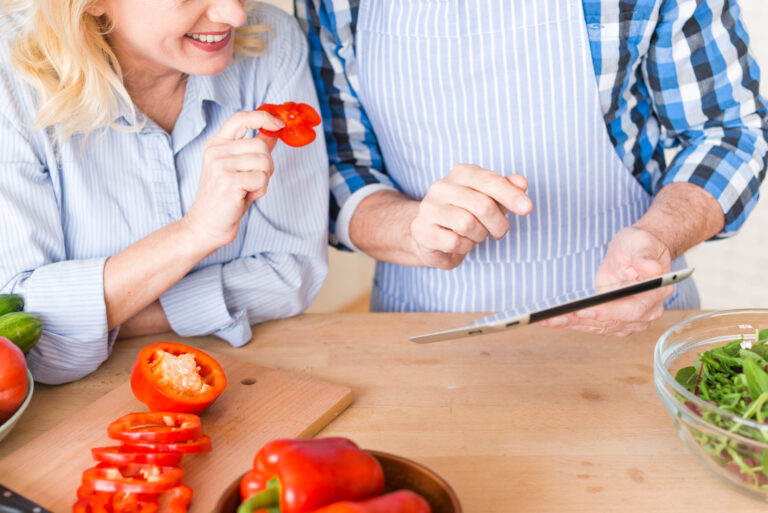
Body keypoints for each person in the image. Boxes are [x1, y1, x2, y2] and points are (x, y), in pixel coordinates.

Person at [296, 0, 768, 336]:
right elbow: (338, 167)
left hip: (632, 330)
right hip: (420, 330)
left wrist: (658, 237)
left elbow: (729, 132)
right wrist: (412, 230)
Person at [0, 0, 329, 384]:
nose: (235, 15)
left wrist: (106, 312)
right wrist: (194, 233)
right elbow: (20, 332)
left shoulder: (272, 41)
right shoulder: (10, 79)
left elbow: (293, 274)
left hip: (253, 367)